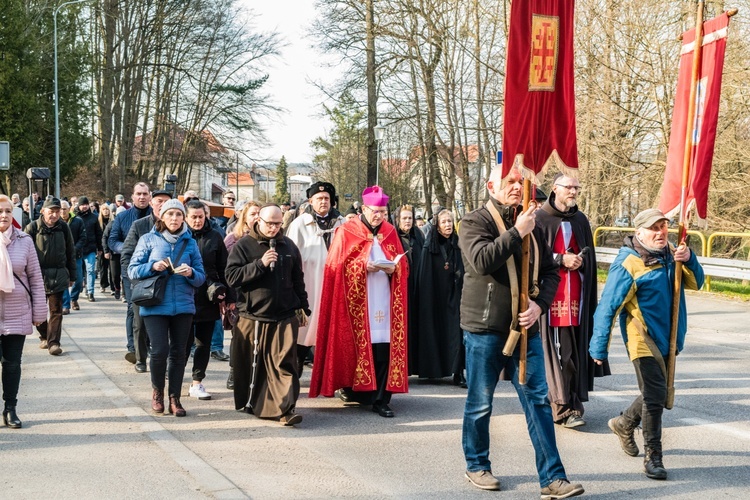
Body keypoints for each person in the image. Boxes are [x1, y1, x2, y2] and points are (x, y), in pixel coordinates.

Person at [458, 167, 583, 498]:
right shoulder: (474, 221)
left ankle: (553, 478)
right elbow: (482, 261)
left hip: (525, 329)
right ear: (491, 186)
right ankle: (477, 464)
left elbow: (551, 270)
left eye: (520, 181)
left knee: (538, 402)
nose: (516, 187)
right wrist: (516, 231)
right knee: (480, 402)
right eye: (509, 182)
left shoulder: (535, 224)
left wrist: (541, 304)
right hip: (484, 328)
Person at [590, 208, 704, 481]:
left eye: (664, 226)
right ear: (639, 232)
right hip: (643, 340)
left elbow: (697, 283)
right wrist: (599, 348)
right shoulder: (628, 263)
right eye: (654, 228)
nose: (661, 232)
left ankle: (624, 423)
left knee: (657, 392)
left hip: (671, 337)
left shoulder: (673, 254)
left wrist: (689, 259)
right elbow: (608, 307)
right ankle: (654, 456)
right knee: (655, 398)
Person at [309, 186, 409, 418]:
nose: (380, 216)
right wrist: (363, 266)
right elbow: (335, 267)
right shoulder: (347, 231)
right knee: (355, 347)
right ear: (364, 208)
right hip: (354, 304)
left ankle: (381, 399)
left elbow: (403, 265)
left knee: (384, 348)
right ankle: (357, 391)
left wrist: (396, 267)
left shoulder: (390, 231)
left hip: (384, 300)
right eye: (376, 211)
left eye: (383, 212)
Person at [225, 204, 309, 426]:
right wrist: (260, 264)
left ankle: (286, 409)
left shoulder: (289, 246)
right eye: (269, 223)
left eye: (277, 223)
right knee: (255, 366)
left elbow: (298, 279)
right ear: (258, 221)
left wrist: (303, 307)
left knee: (285, 364)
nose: (273, 228)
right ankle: (255, 403)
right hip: (254, 316)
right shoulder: (243, 246)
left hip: (284, 315)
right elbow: (232, 277)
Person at [535, 174, 609, 428]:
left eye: (577, 187)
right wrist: (559, 259)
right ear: (555, 189)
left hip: (577, 294)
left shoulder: (580, 220)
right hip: (551, 296)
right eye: (569, 187)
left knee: (575, 352)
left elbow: (588, 254)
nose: (574, 191)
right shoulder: (539, 219)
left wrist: (580, 261)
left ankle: (571, 400)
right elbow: (534, 257)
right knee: (561, 352)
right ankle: (564, 408)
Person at [128, 199, 205, 417]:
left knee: (179, 354)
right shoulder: (149, 239)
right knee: (160, 351)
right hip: (155, 305)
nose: (174, 218)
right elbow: (133, 270)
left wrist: (190, 273)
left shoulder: (189, 243)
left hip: (183, 306)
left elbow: (201, 277)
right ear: (162, 216)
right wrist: (152, 266)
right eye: (170, 214)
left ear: (183, 218)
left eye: (178, 215)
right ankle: (157, 393)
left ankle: (175, 398)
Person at [286, 182, 345, 376]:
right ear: (311, 201)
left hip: (336, 286)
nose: (323, 202)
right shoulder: (300, 224)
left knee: (334, 333)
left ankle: (335, 379)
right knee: (304, 332)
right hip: (309, 286)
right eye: (319, 198)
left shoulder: (342, 223)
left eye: (327, 198)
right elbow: (291, 256)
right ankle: (294, 375)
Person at [0, 195, 47, 428]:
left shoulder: (25, 240)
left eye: (8, 211)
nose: (4, 215)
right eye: (0, 211)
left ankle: (10, 408)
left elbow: (36, 279)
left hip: (16, 311)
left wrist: (40, 314)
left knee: (11, 364)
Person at [184, 200, 233, 400]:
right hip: (183, 296)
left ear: (206, 216)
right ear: (186, 217)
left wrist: (226, 295)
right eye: (193, 217)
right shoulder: (179, 236)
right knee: (182, 343)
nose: (197, 221)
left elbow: (224, 268)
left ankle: (197, 382)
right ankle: (176, 380)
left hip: (207, 296)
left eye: (200, 217)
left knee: (203, 343)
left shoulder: (215, 236)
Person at [121, 189, 173, 373]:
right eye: (159, 201)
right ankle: (141, 358)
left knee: (167, 325)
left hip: (168, 284)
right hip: (142, 281)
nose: (162, 204)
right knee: (140, 322)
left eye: (166, 201)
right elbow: (127, 255)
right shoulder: (139, 225)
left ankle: (166, 363)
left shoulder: (177, 227)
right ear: (152, 202)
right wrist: (134, 280)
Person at [413, 209, 465, 383]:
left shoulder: (458, 243)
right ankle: (435, 369)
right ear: (437, 225)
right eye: (444, 222)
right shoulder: (430, 246)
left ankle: (458, 371)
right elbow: (425, 276)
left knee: (456, 332)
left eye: (450, 221)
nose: (448, 225)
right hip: (435, 297)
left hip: (455, 294)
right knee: (436, 331)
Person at [24, 197, 76, 356]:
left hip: (58, 275)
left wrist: (72, 275)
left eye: (57, 211)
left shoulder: (64, 228)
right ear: (42, 211)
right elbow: (23, 252)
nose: (54, 215)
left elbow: (70, 253)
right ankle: (45, 335)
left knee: (56, 311)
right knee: (36, 311)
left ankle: (54, 343)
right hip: (36, 276)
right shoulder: (32, 228)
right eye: (51, 211)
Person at [108, 182, 152, 364]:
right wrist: (128, 248)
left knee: (150, 307)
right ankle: (132, 347)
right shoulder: (123, 217)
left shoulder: (156, 216)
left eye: (145, 194)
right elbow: (113, 240)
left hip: (152, 270)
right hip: (130, 269)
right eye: (138, 194)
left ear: (150, 196)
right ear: (132, 197)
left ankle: (147, 344)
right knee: (132, 308)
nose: (141, 197)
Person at [75, 197, 103, 302]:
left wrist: (100, 247)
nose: (84, 206)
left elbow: (98, 233)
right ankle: (80, 288)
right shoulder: (76, 218)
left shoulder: (94, 218)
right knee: (79, 272)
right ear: (79, 206)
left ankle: (91, 292)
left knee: (90, 270)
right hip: (78, 249)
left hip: (90, 248)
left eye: (86, 204)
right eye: (82, 204)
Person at [60, 200, 85, 315]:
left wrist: (74, 249)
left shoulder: (78, 221)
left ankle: (74, 298)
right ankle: (66, 304)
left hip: (76, 256)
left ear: (69, 209)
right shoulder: (57, 223)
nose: (62, 211)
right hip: (61, 256)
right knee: (64, 281)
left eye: (64, 209)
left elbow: (83, 238)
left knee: (78, 280)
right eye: (60, 209)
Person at [103, 206, 125, 300]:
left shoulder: (129, 225)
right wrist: (106, 251)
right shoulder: (111, 224)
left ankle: (125, 293)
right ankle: (117, 288)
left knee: (125, 275)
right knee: (115, 275)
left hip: (125, 253)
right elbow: (105, 237)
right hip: (114, 253)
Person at [97, 204, 113, 294]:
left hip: (111, 247)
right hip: (101, 247)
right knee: (103, 267)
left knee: (112, 269)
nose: (106, 211)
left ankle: (112, 286)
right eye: (104, 209)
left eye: (107, 209)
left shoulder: (113, 221)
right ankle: (103, 285)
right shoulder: (98, 222)